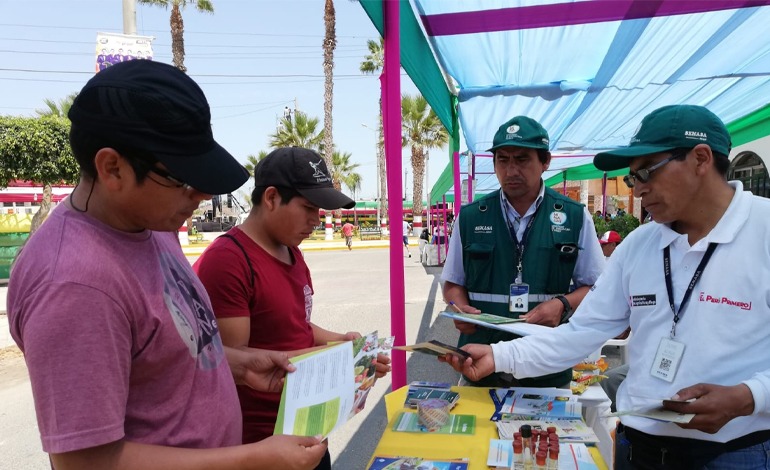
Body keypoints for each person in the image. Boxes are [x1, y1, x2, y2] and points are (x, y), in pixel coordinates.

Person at [6, 60, 327, 470]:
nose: (200, 195)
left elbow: (163, 354)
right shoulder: (75, 284)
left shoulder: (153, 224)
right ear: (112, 168)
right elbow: (85, 461)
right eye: (182, 179)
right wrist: (254, 458)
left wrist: (240, 364)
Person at [444, 104, 770, 469]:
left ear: (700, 158)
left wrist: (749, 397)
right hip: (639, 446)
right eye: (632, 178)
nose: (638, 188)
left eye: (646, 172)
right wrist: (499, 356)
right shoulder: (640, 246)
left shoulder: (764, 232)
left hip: (735, 453)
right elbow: (581, 334)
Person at [193, 147, 391, 470]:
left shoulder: (292, 251)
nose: (317, 220)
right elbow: (230, 364)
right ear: (271, 198)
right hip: (263, 448)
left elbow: (296, 324)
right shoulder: (229, 261)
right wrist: (338, 364)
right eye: (309, 208)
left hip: (309, 434)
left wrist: (343, 344)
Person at [441, 115, 605, 388]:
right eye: (502, 160)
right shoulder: (470, 217)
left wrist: (562, 305)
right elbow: (453, 282)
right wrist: (459, 309)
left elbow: (596, 286)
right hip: (479, 366)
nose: (511, 170)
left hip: (546, 369)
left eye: (522, 159)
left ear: (545, 162)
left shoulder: (574, 216)